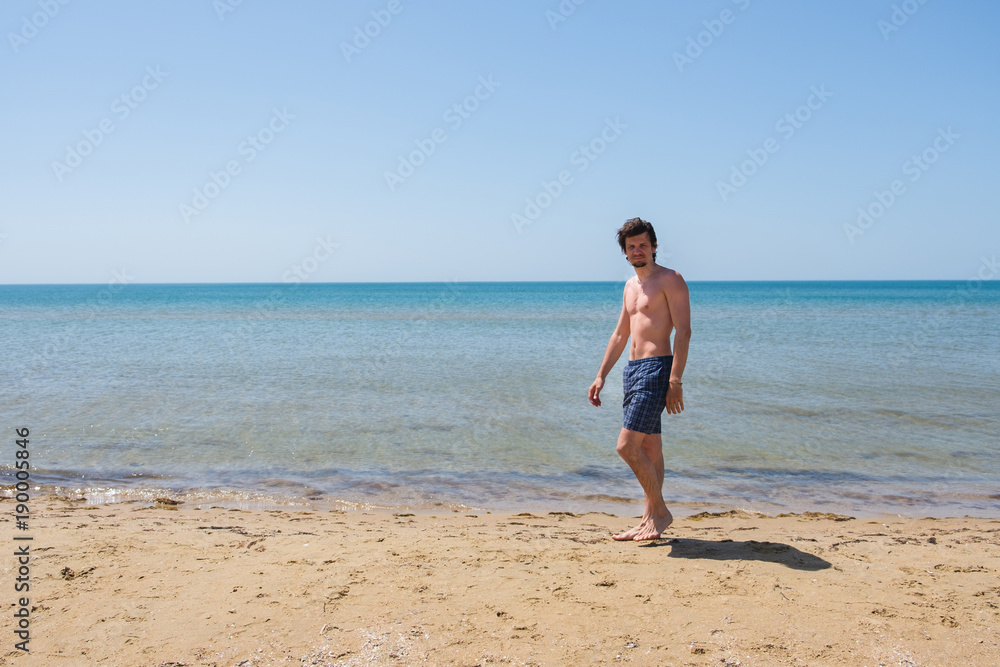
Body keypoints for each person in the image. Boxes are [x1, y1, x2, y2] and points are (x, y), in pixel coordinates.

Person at [588, 218, 691, 541]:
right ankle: (649, 519)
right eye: (631, 247)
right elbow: (620, 334)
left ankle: (659, 512)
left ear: (654, 246)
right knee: (650, 446)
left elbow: (683, 331)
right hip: (632, 371)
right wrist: (601, 375)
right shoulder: (630, 286)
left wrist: (675, 381)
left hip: (657, 368)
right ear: (625, 252)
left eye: (643, 244)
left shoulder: (670, 280)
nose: (637, 250)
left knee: (626, 446)